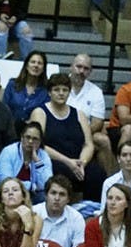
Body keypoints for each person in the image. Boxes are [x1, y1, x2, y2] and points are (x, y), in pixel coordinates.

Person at [30, 72, 104, 202]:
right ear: (49, 92)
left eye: (65, 90)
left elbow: (88, 144)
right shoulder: (40, 112)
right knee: (62, 174)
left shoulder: (79, 114)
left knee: (97, 174)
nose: (61, 93)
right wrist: (68, 162)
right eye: (56, 90)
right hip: (53, 160)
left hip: (78, 160)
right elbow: (37, 145)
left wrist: (82, 163)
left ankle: (91, 212)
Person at [0, 121, 51, 204]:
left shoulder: (43, 156)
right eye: (27, 137)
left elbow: (47, 185)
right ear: (22, 138)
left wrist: (37, 162)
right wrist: (32, 186)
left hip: (28, 196)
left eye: (35, 139)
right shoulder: (8, 151)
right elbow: (6, 182)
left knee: (44, 198)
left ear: (40, 142)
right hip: (1, 192)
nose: (30, 141)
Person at [67, 53, 112, 173]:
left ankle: (109, 182)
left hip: (85, 133)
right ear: (71, 66)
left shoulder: (96, 92)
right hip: (60, 130)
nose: (81, 71)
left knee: (102, 140)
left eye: (86, 68)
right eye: (78, 66)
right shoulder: (59, 86)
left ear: (90, 72)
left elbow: (97, 123)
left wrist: (80, 134)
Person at [33, 175, 85, 247]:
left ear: (68, 199)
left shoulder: (76, 218)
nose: (57, 198)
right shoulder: (33, 213)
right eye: (53, 193)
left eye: (62, 194)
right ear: (46, 195)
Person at [3, 50, 48, 129]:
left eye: (39, 63)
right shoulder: (12, 84)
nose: (36, 65)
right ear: (26, 65)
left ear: (43, 68)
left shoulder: (46, 90)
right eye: (33, 62)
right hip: (10, 130)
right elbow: (4, 108)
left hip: (34, 133)